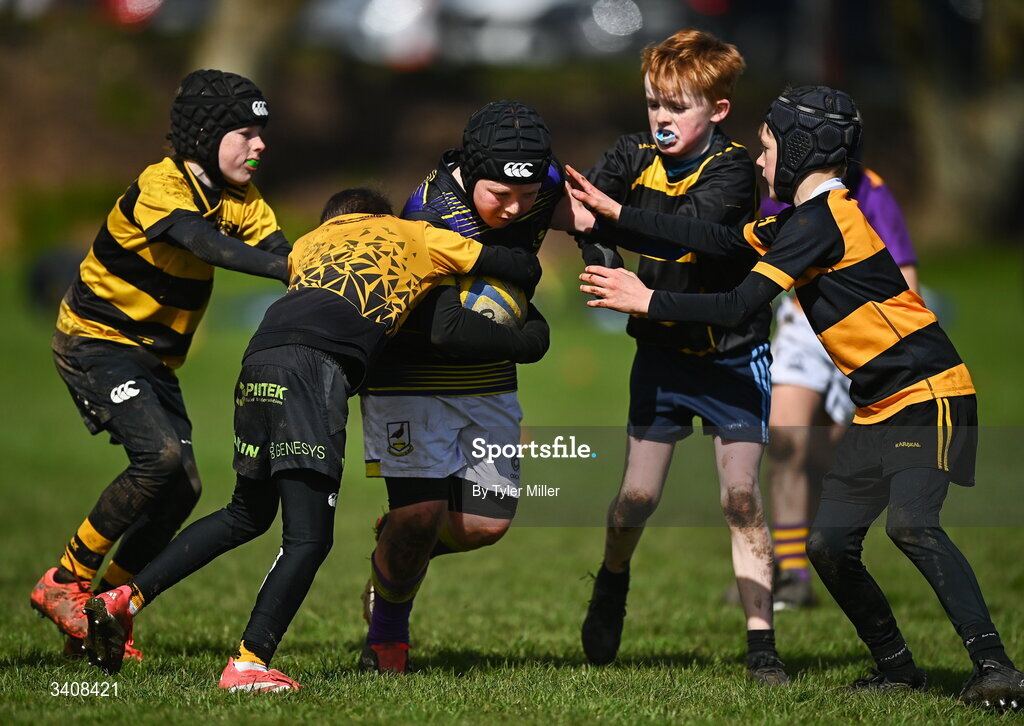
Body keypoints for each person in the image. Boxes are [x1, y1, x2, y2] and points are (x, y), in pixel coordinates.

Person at [567, 85, 1024, 711]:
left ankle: (996, 667)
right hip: (878, 404)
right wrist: (617, 214)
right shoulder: (799, 220)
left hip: (928, 392)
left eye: (767, 147)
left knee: (914, 525)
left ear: (801, 150)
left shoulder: (821, 223)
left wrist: (648, 300)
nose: (759, 162)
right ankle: (897, 668)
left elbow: (738, 304)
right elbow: (722, 243)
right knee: (827, 544)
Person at [81, 188, 545, 691]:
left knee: (245, 514)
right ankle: (249, 664)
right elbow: (513, 265)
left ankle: (123, 598)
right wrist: (531, 332)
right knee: (308, 538)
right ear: (378, 216)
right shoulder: (415, 233)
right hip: (313, 370)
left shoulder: (307, 244)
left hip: (260, 358)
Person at [31, 69, 291, 659]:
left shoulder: (246, 202)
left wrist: (322, 269)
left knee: (183, 486)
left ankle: (106, 613)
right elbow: (203, 243)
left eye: (262, 133)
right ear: (206, 135)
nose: (260, 145)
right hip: (96, 341)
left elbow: (283, 252)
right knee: (161, 458)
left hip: (154, 361)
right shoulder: (163, 185)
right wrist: (281, 270)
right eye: (246, 132)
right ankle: (66, 583)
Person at [570, 29, 786, 684]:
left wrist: (615, 214)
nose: (662, 118)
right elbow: (585, 205)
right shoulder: (630, 155)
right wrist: (596, 244)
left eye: (678, 106)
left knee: (742, 499)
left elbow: (706, 237)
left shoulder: (734, 170)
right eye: (653, 104)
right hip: (662, 357)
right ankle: (612, 580)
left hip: (732, 356)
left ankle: (761, 645)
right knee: (636, 497)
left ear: (717, 110)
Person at [357, 100, 567, 674]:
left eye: (526, 196)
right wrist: (532, 336)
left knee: (484, 524)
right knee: (422, 516)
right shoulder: (428, 213)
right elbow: (443, 329)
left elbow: (584, 213)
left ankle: (395, 544)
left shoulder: (537, 181)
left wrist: (602, 255)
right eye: (500, 194)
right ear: (472, 172)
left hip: (487, 380)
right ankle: (387, 639)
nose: (516, 207)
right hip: (411, 376)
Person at [759, 158, 920, 611]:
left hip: (860, 333)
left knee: (828, 456)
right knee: (787, 438)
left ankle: (815, 556)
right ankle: (791, 573)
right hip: (802, 327)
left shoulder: (871, 191)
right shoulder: (779, 191)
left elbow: (906, 276)